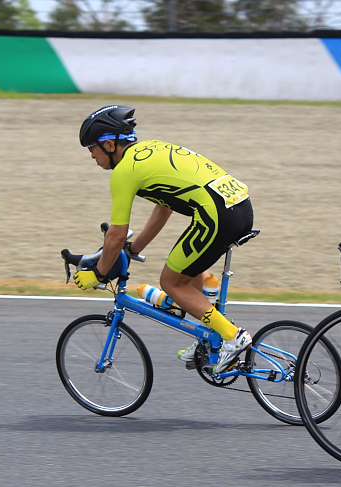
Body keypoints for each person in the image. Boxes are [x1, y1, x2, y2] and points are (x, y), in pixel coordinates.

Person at [73, 104, 253, 373]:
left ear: (109, 145)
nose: (91, 157)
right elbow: (164, 207)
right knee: (185, 271)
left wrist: (99, 274)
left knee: (170, 281)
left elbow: (116, 234)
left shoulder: (124, 172)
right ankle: (210, 337)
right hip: (239, 206)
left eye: (92, 149)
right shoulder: (153, 148)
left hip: (216, 216)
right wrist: (134, 248)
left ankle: (232, 337)